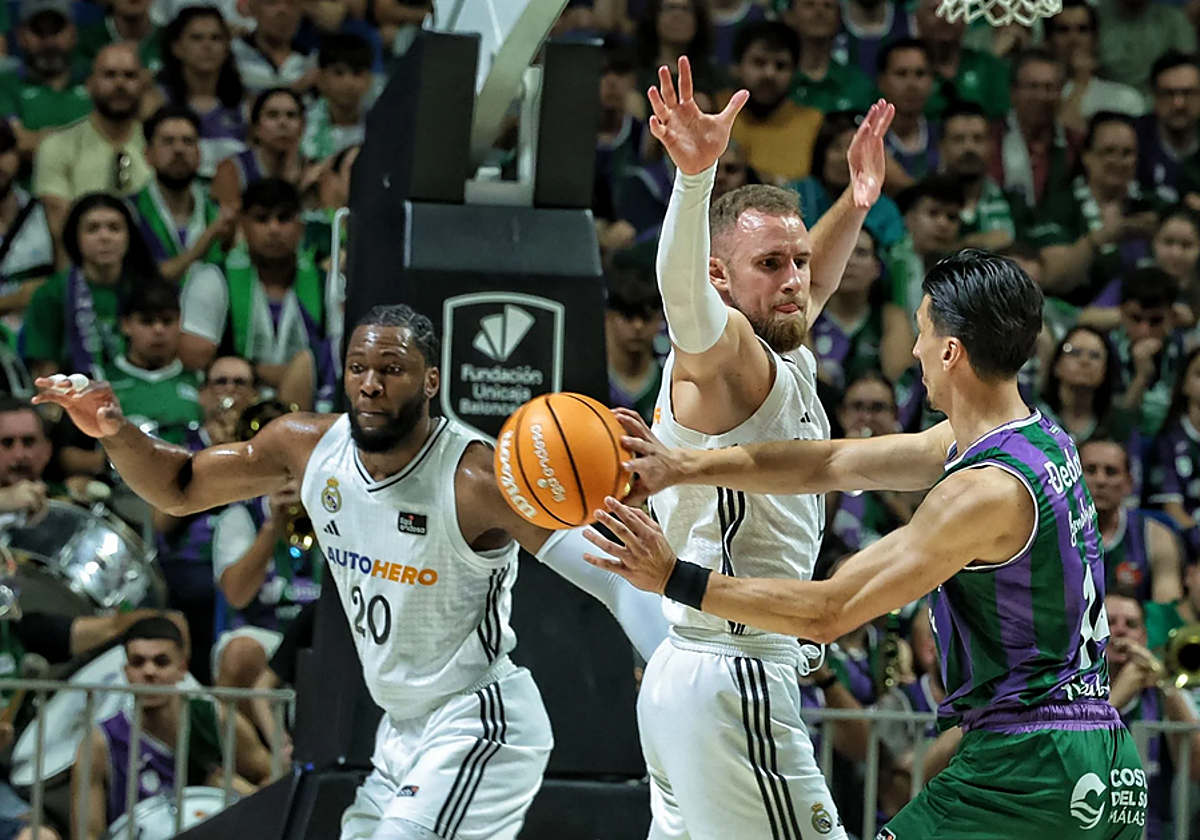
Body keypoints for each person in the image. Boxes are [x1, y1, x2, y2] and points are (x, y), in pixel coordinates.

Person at [35, 301, 668, 840]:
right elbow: (177, 486)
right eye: (359, 368)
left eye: (392, 369)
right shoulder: (306, 446)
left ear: (430, 381)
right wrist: (115, 433)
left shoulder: (476, 479)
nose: (369, 383)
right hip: (398, 734)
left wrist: (675, 665)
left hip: (477, 722)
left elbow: (613, 575)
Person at [590, 249, 1148, 837]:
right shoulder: (1037, 439)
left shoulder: (981, 492)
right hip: (1101, 759)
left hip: (1030, 768)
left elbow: (828, 612)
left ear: (951, 352)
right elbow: (832, 461)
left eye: (923, 332)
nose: (914, 351)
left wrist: (672, 576)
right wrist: (685, 465)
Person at [595, 54, 891, 837]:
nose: (795, 279)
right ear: (721, 279)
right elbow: (682, 300)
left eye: (796, 260)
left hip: (694, 672)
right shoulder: (721, 351)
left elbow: (815, 280)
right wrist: (695, 180)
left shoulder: (781, 340)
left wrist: (856, 203)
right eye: (770, 265)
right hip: (734, 676)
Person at [72, 617, 271, 840]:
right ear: (127, 672)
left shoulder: (216, 718)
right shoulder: (100, 742)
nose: (149, 672)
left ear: (182, 668)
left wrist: (241, 791)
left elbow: (274, 780)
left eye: (161, 662)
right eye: (138, 662)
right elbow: (86, 832)